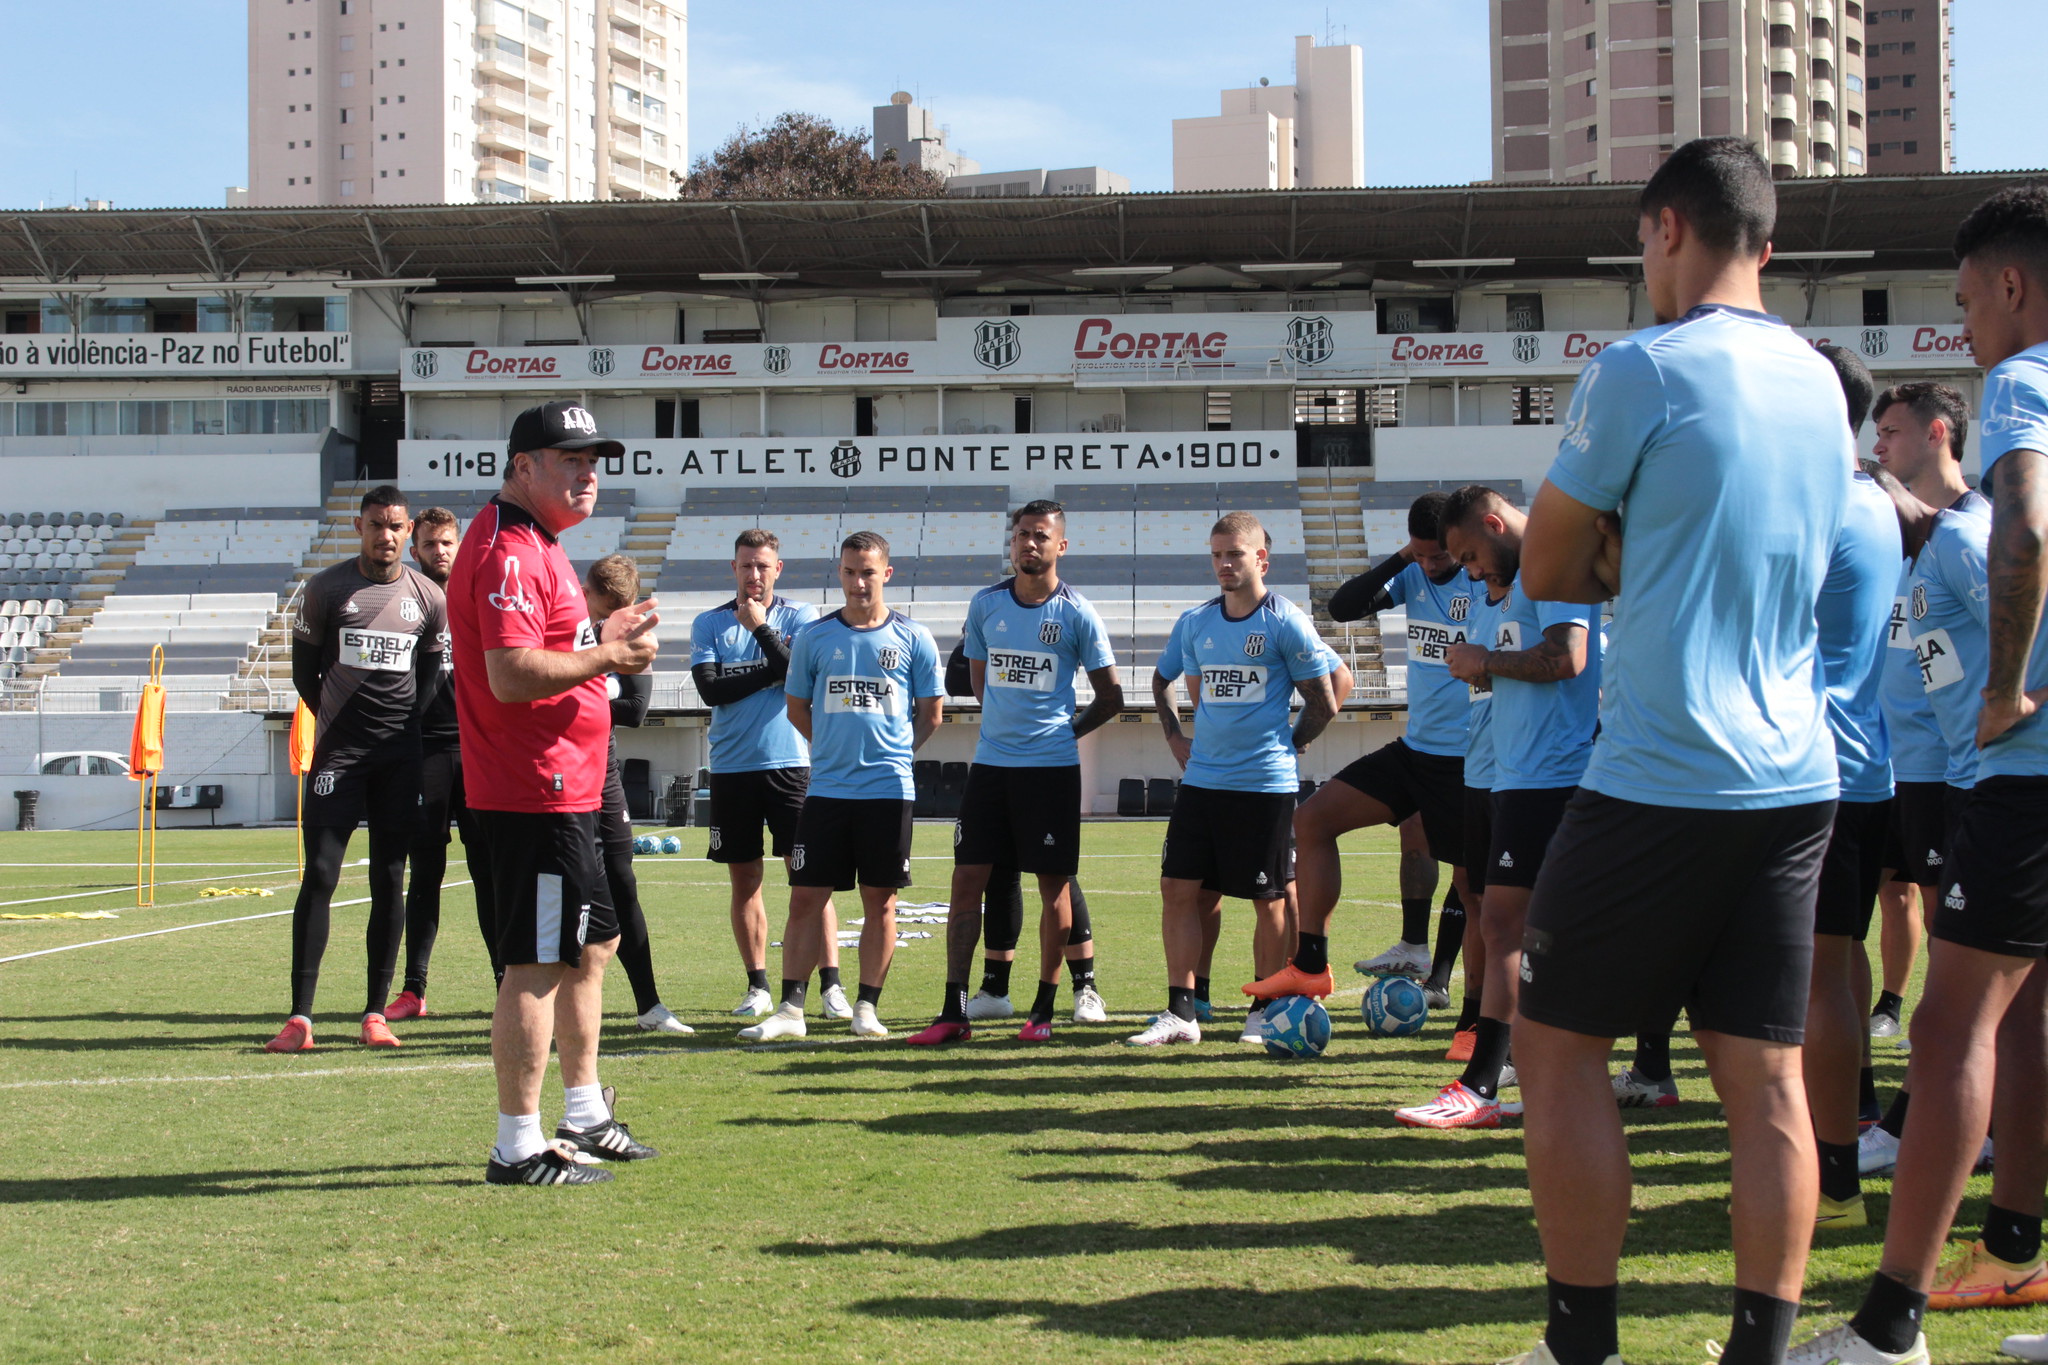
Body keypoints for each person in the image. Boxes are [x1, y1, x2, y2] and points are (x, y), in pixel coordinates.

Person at [1509, 138, 1851, 1365]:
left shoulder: (1641, 368)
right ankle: (1755, 1350)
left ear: (1664, 229)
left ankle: (1579, 1345)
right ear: (1763, 241)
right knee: (1761, 1082)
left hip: (1661, 772)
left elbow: (1543, 569)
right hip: (1794, 777)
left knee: (1551, 1049)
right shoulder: (1819, 383)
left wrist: (1617, 552)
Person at [1793, 183, 2048, 1365]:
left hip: (2023, 768)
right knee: (2030, 1022)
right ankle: (2011, 1253)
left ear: (2009, 285)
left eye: (1964, 303)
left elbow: (2025, 528)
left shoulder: (2022, 382)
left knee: (1950, 1033)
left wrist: (1999, 690)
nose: (1967, 330)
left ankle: (1887, 1325)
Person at [452, 400, 661, 1187]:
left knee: (591, 945)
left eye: (594, 460)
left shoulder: (537, 543)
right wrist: (606, 656)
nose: (589, 473)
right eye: (569, 459)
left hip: (570, 786)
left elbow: (542, 649)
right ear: (522, 468)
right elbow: (509, 672)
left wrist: (599, 640)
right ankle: (517, 1143)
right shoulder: (510, 549)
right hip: (535, 788)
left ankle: (582, 1111)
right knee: (536, 961)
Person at [1393, 485, 1601, 1129]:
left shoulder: (1554, 566)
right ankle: (1641, 1065)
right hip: (1509, 778)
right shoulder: (1501, 594)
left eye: (1469, 553)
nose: (1469, 568)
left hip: (1554, 777)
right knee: (1516, 924)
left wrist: (1486, 661)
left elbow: (1569, 657)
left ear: (1493, 523)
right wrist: (1482, 669)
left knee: (1512, 925)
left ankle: (1483, 1084)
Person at [908, 500, 1122, 1045]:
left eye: (1041, 536)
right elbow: (981, 684)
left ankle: (1043, 1011)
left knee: (1054, 887)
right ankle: (954, 1011)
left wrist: (1063, 732)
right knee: (965, 882)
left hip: (1049, 771)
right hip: (991, 768)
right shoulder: (986, 605)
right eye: (1022, 534)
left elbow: (1111, 695)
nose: (1029, 544)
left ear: (1060, 546)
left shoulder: (1077, 613)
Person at [1132, 511, 1336, 1046]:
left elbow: (1326, 697)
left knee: (1268, 900)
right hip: (1202, 783)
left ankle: (1263, 1009)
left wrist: (1291, 742)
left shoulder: (1284, 621)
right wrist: (1175, 736)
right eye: (1217, 554)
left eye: (1235, 554)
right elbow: (1161, 679)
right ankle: (1182, 1012)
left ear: (1260, 559)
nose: (1224, 563)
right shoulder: (1196, 622)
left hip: (1263, 786)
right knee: (1178, 888)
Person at [739, 531, 943, 1042]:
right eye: (850, 572)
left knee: (883, 901)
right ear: (840, 573)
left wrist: (893, 752)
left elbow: (932, 713)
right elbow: (796, 707)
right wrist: (829, 747)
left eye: (868, 572)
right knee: (806, 897)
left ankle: (866, 1008)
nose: (858, 582)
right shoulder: (815, 636)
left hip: (889, 790)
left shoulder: (914, 638)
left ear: (886, 574)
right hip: (827, 790)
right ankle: (789, 1010)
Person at [266, 485, 447, 1054]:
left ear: (407, 529)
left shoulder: (429, 598)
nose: (385, 536)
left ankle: (374, 1012)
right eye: (375, 525)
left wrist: (400, 731)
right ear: (359, 526)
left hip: (400, 759)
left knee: (390, 879)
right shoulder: (326, 589)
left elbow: (431, 676)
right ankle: (300, 1017)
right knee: (320, 874)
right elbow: (304, 673)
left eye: (395, 526)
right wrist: (341, 724)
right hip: (339, 755)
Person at [1799, 345, 1903, 1232]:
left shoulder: (1821, 501)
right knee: (1838, 962)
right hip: (1863, 764)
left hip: (1809, 770)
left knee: (1813, 978)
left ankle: (1831, 1179)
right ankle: (1851, 1128)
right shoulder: (1875, 501)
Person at [1299, 493, 1475, 987]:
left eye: (1439, 554)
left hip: (1471, 756)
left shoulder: (1483, 582)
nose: (1430, 565)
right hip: (1417, 748)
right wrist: (1404, 559)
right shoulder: (1414, 574)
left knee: (1470, 878)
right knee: (1312, 821)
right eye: (1419, 554)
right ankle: (1315, 964)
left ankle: (1457, 999)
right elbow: (1342, 606)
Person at [687, 529, 849, 1021]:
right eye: (745, 565)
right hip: (733, 768)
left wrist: (760, 631)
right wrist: (771, 669)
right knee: (745, 881)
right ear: (732, 568)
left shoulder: (798, 616)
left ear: (778, 569)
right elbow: (711, 691)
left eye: (762, 566)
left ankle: (830, 987)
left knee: (810, 880)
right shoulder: (708, 622)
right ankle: (757, 985)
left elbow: (796, 670)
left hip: (791, 766)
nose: (753, 574)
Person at [1869, 381, 1976, 1040]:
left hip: (1959, 769)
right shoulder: (1910, 541)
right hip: (1902, 765)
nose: (1878, 446)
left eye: (1891, 433)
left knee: (1961, 939)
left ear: (1937, 433)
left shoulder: (1970, 534)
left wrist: (2015, 703)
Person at [385, 504, 487, 1018]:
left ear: (458, 543)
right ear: (414, 548)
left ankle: (504, 982)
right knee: (424, 873)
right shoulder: (405, 599)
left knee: (490, 871)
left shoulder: (478, 592)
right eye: (429, 544)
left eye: (447, 542)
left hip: (478, 750)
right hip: (425, 751)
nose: (439, 552)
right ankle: (414, 989)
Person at [584, 553, 691, 1036]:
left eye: (612, 613)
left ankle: (649, 1004)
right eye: (598, 610)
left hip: (602, 775)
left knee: (622, 885)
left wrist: (578, 692)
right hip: (556, 775)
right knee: (555, 890)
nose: (603, 622)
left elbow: (634, 710)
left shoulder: (637, 633)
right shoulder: (561, 629)